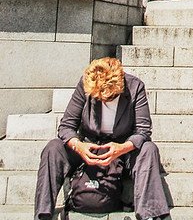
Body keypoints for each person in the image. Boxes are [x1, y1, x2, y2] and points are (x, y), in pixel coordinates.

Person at [34, 57, 170, 220]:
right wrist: (79, 146)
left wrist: (123, 147)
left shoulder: (135, 87)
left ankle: (150, 215)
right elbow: (66, 127)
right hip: (89, 145)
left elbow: (143, 130)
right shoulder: (85, 84)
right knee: (53, 148)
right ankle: (42, 215)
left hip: (121, 148)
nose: (103, 100)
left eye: (108, 96)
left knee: (149, 149)